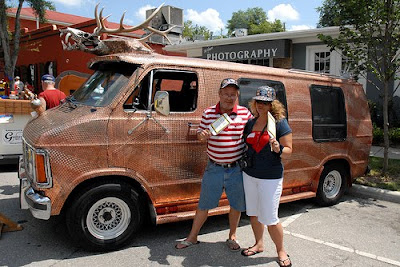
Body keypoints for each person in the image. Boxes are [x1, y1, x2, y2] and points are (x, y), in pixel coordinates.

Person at [175, 78, 252, 251]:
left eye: (233, 94)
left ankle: (232, 236)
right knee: (204, 204)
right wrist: (202, 136)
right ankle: (192, 237)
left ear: (237, 96)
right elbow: (200, 135)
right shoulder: (209, 113)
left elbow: (254, 131)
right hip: (214, 167)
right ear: (219, 94)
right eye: (226, 94)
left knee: (236, 205)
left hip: (236, 168)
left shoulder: (245, 113)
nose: (229, 97)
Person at [241, 86, 293, 267]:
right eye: (258, 102)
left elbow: (289, 151)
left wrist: (278, 148)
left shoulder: (279, 123)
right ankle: (259, 244)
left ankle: (281, 250)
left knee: (270, 218)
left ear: (272, 104)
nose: (261, 105)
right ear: (254, 103)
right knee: (253, 214)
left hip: (270, 177)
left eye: (265, 102)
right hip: (249, 174)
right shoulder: (250, 123)